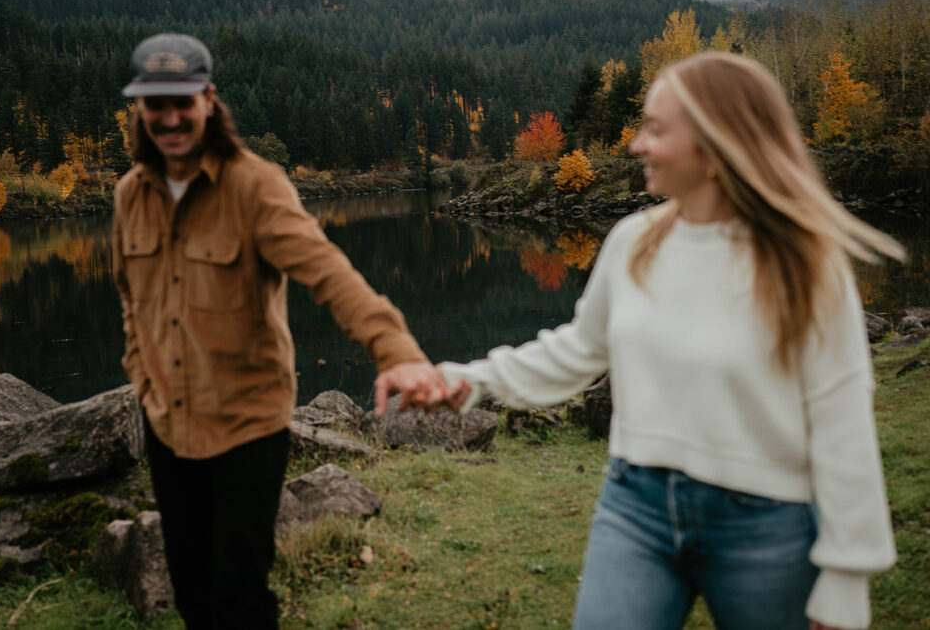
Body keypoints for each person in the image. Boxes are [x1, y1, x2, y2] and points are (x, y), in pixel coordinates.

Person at [424, 52, 903, 629]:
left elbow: (841, 417)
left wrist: (846, 578)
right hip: (636, 507)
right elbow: (579, 349)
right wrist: (470, 381)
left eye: (655, 128)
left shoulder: (805, 261)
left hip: (766, 522)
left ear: (715, 143)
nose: (636, 145)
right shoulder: (632, 240)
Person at [112, 32, 455, 629]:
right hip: (166, 420)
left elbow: (327, 271)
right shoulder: (129, 195)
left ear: (209, 100)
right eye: (154, 103)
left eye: (182, 101)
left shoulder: (254, 185)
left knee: (240, 598)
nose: (169, 118)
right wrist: (141, 376)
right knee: (192, 594)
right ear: (139, 109)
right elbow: (129, 301)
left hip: (246, 423)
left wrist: (392, 348)